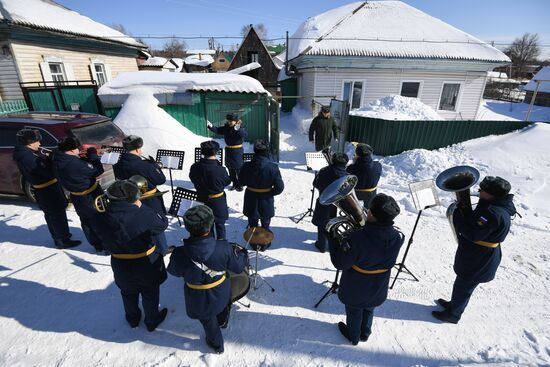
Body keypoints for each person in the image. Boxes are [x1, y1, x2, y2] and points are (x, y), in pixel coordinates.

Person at [432, 176, 516, 324]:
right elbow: (477, 223)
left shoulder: (492, 213)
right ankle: (454, 304)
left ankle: (453, 315)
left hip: (479, 257)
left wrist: (457, 215)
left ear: (491, 194)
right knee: (462, 284)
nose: (479, 191)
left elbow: (472, 234)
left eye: (482, 190)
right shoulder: (494, 205)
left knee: (464, 285)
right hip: (480, 253)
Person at [167, 205, 247, 354]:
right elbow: (237, 268)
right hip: (221, 290)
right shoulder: (223, 247)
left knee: (208, 322)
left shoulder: (179, 253)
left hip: (197, 298)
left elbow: (174, 272)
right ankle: (223, 321)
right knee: (223, 306)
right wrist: (243, 255)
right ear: (210, 227)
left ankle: (217, 344)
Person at [327, 193, 404, 345]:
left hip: (356, 286)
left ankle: (353, 336)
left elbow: (340, 263)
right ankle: (365, 333)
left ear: (373, 215)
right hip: (378, 286)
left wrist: (333, 241)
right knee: (369, 307)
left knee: (355, 311)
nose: (366, 211)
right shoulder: (398, 236)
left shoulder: (357, 238)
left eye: (369, 211)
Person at [93, 180, 168, 331]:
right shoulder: (142, 214)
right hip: (145, 262)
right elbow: (162, 224)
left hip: (120, 262)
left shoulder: (100, 217)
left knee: (127, 292)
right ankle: (152, 320)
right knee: (150, 292)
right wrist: (143, 208)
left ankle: (132, 318)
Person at [12, 129, 80, 249]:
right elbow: (46, 172)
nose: (39, 144)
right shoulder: (27, 156)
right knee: (57, 214)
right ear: (29, 142)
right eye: (37, 141)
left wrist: (48, 158)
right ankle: (63, 239)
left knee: (52, 214)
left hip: (45, 189)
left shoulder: (26, 152)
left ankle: (60, 236)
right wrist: (53, 161)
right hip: (47, 189)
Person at [113, 135, 170, 255]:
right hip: (149, 199)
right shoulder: (145, 166)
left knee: (138, 222)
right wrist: (155, 167)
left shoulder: (118, 163)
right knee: (156, 222)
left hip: (130, 199)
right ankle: (162, 249)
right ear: (138, 149)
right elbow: (161, 180)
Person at [52, 137, 105, 252]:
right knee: (99, 219)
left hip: (76, 196)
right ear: (71, 150)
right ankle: (104, 245)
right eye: (76, 148)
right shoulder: (75, 163)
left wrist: (83, 159)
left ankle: (96, 244)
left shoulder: (57, 158)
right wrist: (93, 156)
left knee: (85, 220)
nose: (79, 150)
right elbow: (98, 170)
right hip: (90, 195)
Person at [238, 140, 284, 246]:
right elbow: (279, 187)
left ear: (254, 151)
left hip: (251, 196)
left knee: (252, 222)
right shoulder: (273, 167)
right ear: (267, 151)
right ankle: (264, 243)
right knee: (265, 222)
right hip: (266, 197)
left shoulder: (246, 166)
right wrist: (271, 192)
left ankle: (253, 242)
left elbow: (241, 182)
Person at [189, 140, 231, 240]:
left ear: (202, 152)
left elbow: (192, 178)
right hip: (217, 201)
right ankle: (221, 244)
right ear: (216, 152)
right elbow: (227, 182)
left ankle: (209, 244)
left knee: (206, 226)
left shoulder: (195, 167)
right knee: (220, 225)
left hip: (201, 199)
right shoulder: (220, 169)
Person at [312, 152, 349, 253]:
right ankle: (332, 243)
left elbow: (316, 184)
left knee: (322, 223)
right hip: (339, 203)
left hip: (324, 201)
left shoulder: (324, 171)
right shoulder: (347, 175)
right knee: (334, 223)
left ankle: (321, 245)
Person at [207, 113, 248, 191]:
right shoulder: (227, 128)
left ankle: (240, 184)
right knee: (230, 169)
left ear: (236, 121)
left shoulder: (240, 128)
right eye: (229, 121)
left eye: (231, 121)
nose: (229, 122)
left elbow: (244, 134)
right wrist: (211, 126)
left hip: (237, 151)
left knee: (238, 169)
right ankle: (235, 184)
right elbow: (218, 130)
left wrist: (238, 129)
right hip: (229, 150)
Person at [346, 143, 382, 208]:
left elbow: (349, 182)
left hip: (355, 195)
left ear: (357, 155)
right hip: (371, 194)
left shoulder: (350, 169)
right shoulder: (378, 166)